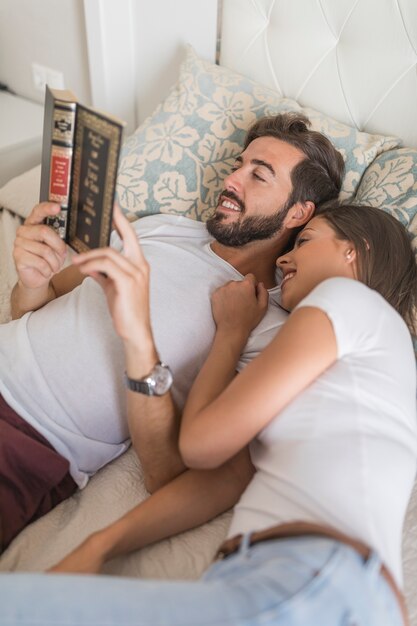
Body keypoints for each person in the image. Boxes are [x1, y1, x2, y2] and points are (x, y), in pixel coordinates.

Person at [1, 203, 415, 626]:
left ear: (355, 251)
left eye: (305, 241)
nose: (285, 259)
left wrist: (229, 335)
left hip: (314, 580)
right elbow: (223, 477)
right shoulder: (336, 369)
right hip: (281, 578)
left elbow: (200, 446)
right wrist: (98, 548)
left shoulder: (346, 299)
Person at [0, 112, 344, 551]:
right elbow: (40, 302)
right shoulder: (163, 228)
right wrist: (30, 281)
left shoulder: (266, 327)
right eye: (238, 165)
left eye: (258, 175)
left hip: (30, 439)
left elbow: (167, 472)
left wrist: (138, 337)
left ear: (298, 212)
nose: (232, 180)